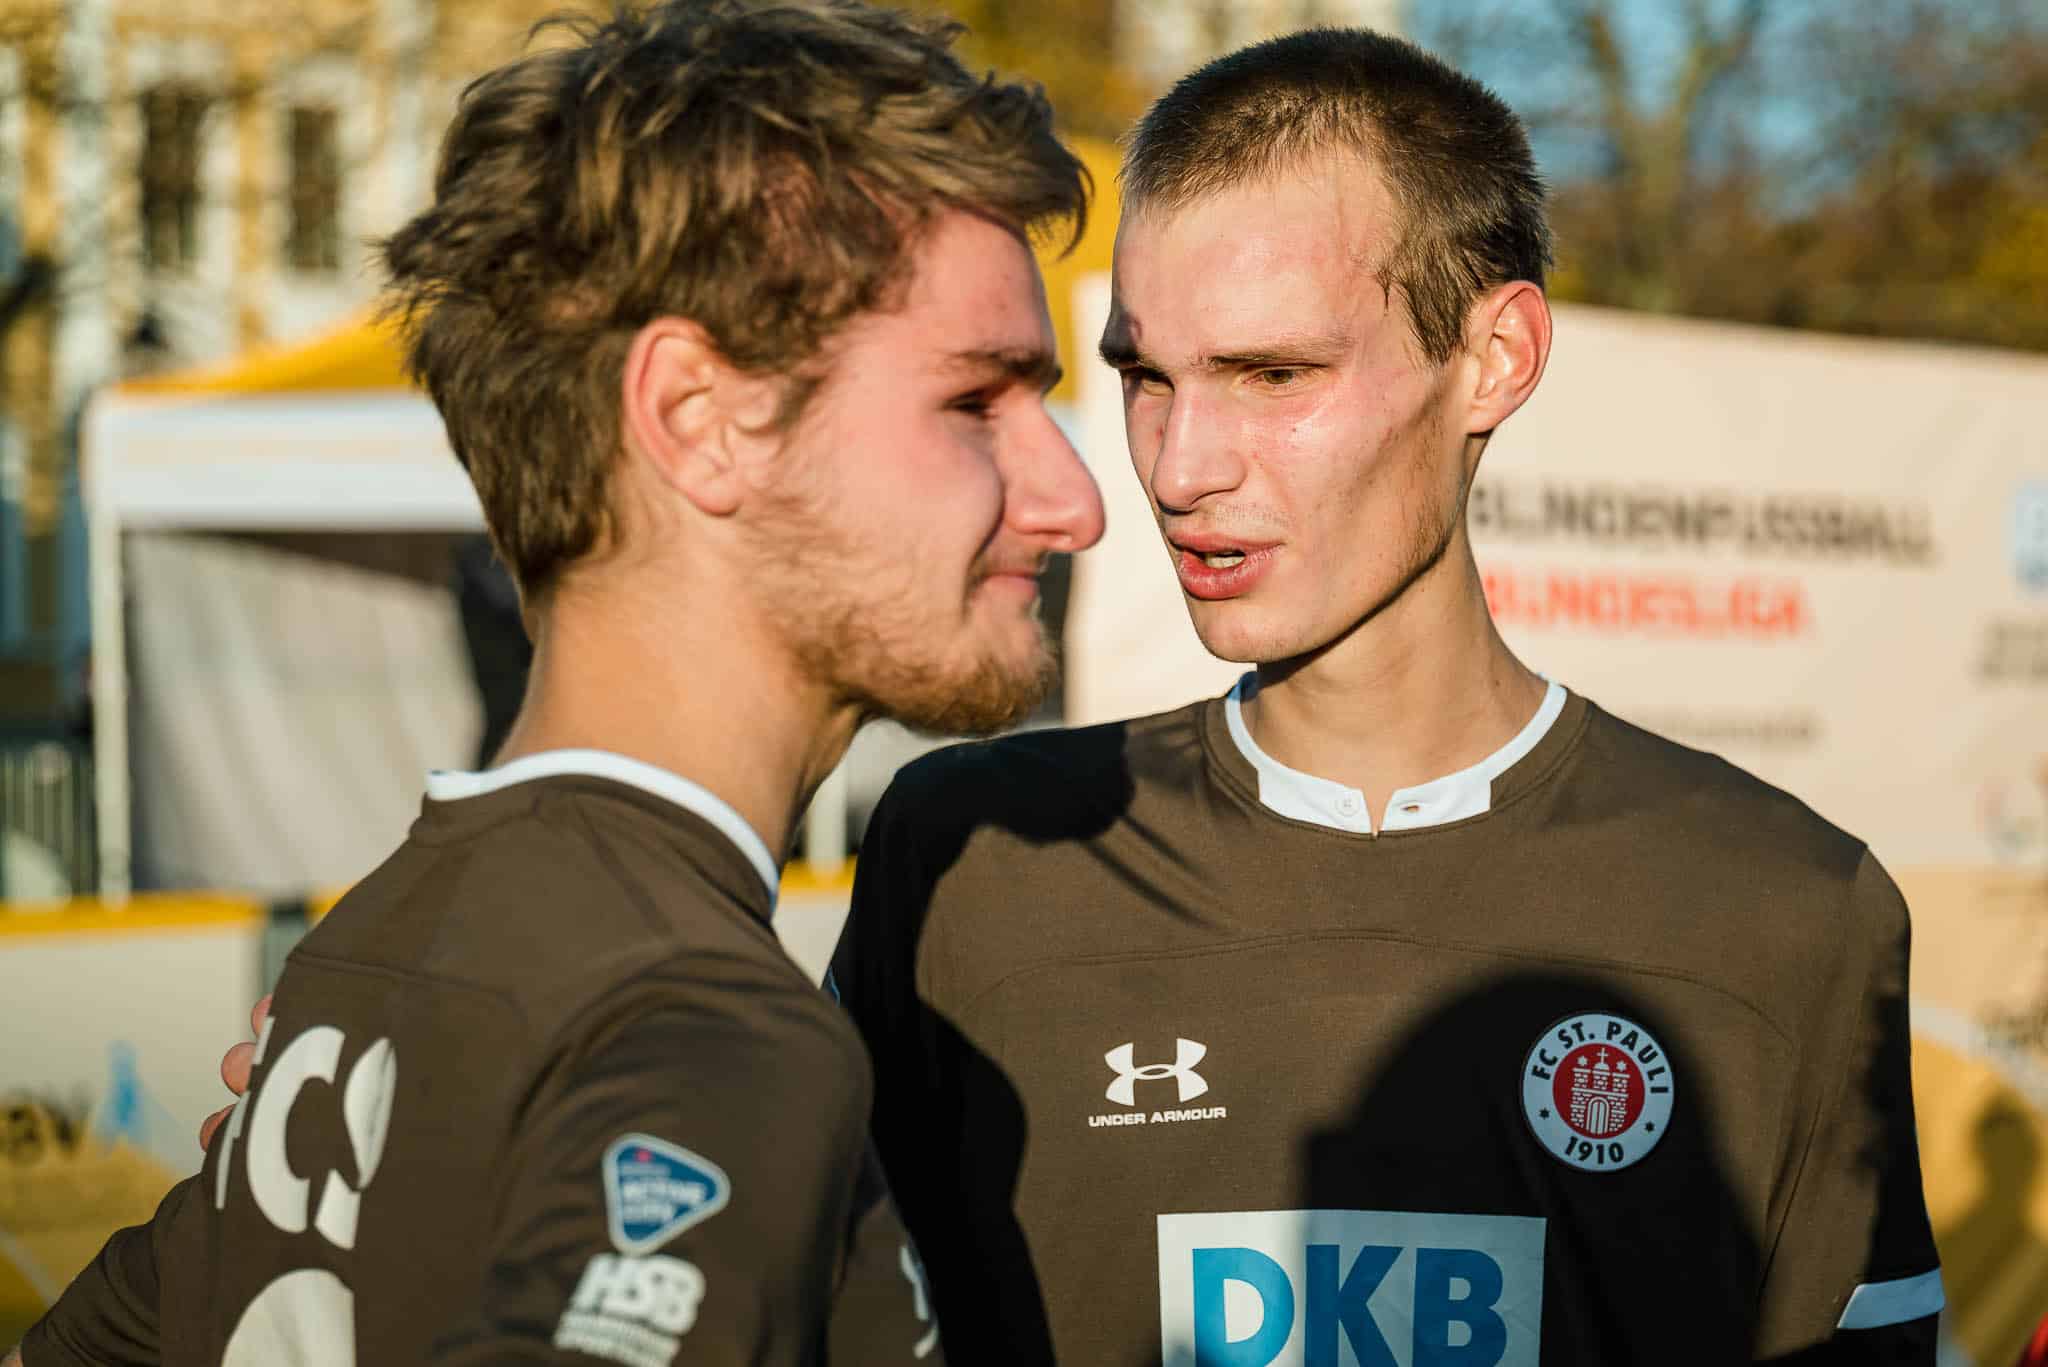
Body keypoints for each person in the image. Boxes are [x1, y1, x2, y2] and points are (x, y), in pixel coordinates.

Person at [828, 27, 1944, 1366]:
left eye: (1273, 374)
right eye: (1145, 377)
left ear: (1496, 358)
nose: (1181, 467)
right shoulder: (971, 862)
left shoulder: (1790, 910)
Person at [7, 0, 1100, 1362]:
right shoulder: (704, 1034)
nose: (1073, 500)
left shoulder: (373, 953)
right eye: (977, 401)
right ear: (697, 420)